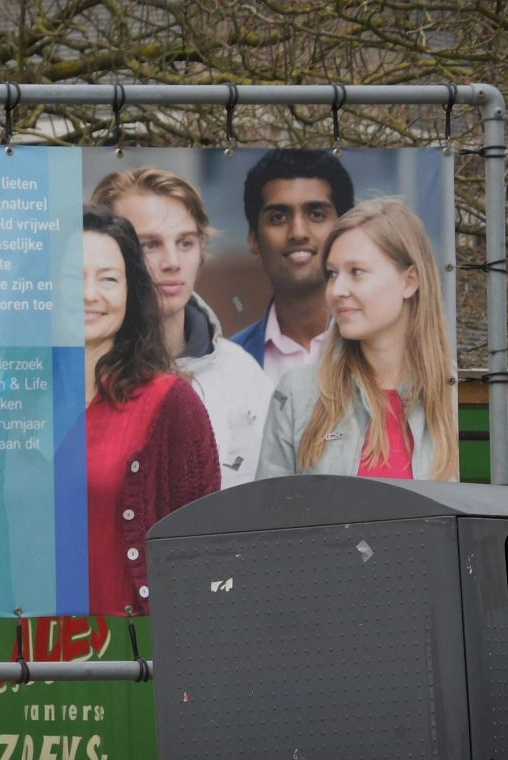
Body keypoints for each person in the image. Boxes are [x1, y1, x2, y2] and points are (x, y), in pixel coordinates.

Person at [91, 166, 273, 488]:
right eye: (149, 245)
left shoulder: (241, 373)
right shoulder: (79, 374)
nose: (172, 261)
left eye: (185, 243)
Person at [256, 198, 458, 481]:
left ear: (409, 281)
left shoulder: (455, 395)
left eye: (357, 272)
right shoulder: (297, 394)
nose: (337, 290)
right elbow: (269, 516)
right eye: (332, 274)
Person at [82, 204, 220, 615]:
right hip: (27, 660)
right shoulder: (12, 408)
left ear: (130, 291)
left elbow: (203, 552)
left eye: (108, 279)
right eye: (72, 278)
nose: (89, 294)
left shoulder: (171, 402)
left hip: (134, 659)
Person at [232, 149, 355, 382]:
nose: (298, 232)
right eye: (278, 217)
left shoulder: (382, 352)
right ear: (254, 241)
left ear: (345, 232)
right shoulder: (229, 366)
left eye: (316, 214)